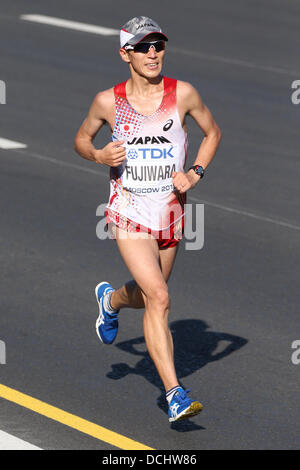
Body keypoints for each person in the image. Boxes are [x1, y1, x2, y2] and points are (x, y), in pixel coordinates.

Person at [74, 16, 221, 422]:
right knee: (159, 297)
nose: (153, 53)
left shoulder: (183, 94)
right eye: (143, 47)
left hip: (171, 213)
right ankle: (174, 394)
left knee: (148, 294)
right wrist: (100, 155)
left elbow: (213, 133)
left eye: (158, 45)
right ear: (126, 54)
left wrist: (195, 173)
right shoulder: (109, 102)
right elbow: (81, 139)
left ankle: (111, 301)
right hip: (127, 211)